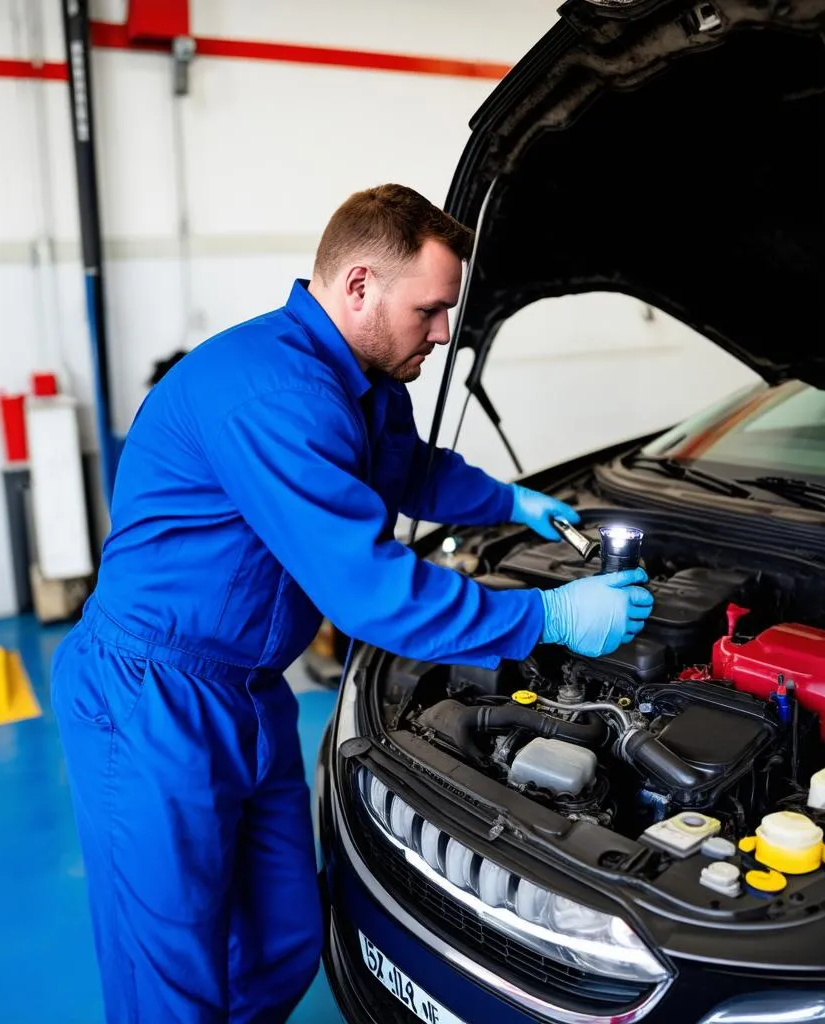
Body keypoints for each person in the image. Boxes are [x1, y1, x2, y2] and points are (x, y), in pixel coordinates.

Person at [51, 183, 654, 1024]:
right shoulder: (272, 393)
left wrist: (511, 503)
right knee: (172, 975)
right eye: (432, 311)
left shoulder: (366, 377)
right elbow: (370, 592)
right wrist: (547, 617)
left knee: (285, 936)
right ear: (361, 284)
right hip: (151, 694)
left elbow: (404, 470)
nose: (442, 335)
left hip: (250, 689)